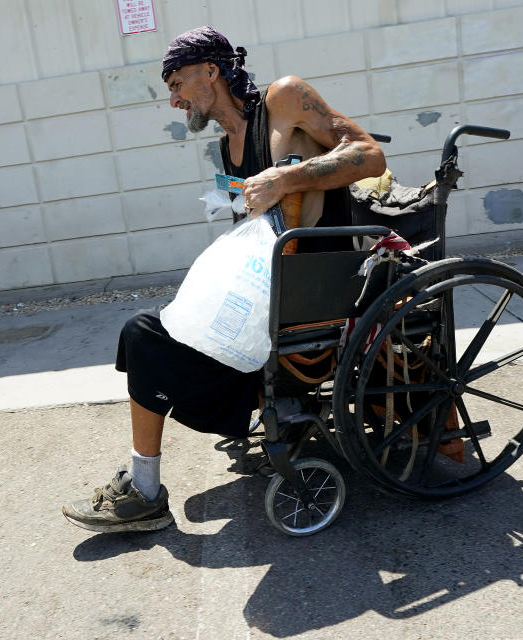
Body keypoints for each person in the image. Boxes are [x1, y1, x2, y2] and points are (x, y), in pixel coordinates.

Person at [62, 26, 385, 533]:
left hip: (315, 286)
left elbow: (369, 154)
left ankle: (145, 491)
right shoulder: (229, 146)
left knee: (144, 334)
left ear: (210, 71)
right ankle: (167, 468)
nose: (173, 100)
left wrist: (287, 177)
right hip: (271, 289)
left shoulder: (283, 97)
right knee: (157, 331)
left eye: (176, 83)